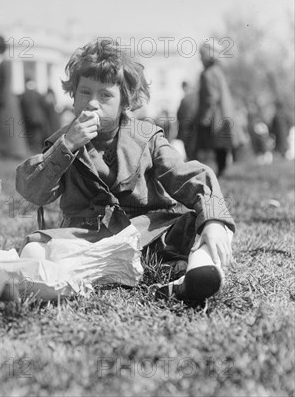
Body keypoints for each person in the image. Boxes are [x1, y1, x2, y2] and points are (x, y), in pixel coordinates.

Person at [16, 39, 235, 303]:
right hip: (89, 240)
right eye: (84, 92)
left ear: (124, 102)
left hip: (148, 236)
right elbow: (33, 191)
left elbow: (189, 176)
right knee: (33, 250)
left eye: (105, 95)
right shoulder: (63, 141)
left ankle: (195, 277)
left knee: (206, 226)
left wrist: (213, 221)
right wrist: (68, 145)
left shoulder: (146, 136)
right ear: (73, 95)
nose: (92, 103)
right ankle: (62, 284)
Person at [196, 39, 237, 177]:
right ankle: (222, 170)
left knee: (216, 144)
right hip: (225, 112)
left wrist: (206, 116)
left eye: (201, 55)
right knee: (222, 145)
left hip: (216, 114)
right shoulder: (218, 70)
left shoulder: (208, 74)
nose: (200, 58)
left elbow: (211, 98)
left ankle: (219, 172)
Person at [0, 34, 29, 159]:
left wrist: (1, 99)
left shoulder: (4, 62)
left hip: (5, 100)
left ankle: (13, 151)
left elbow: (6, 83)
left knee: (8, 126)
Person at [19, 78, 49, 153]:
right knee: (38, 134)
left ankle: (33, 149)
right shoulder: (37, 94)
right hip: (39, 118)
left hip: (29, 118)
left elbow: (22, 106)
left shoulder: (24, 95)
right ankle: (37, 149)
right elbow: (44, 104)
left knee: (31, 135)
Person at [176, 81, 199, 161]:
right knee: (193, 149)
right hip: (194, 128)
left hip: (187, 128)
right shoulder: (196, 98)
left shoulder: (186, 100)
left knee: (190, 149)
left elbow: (179, 115)